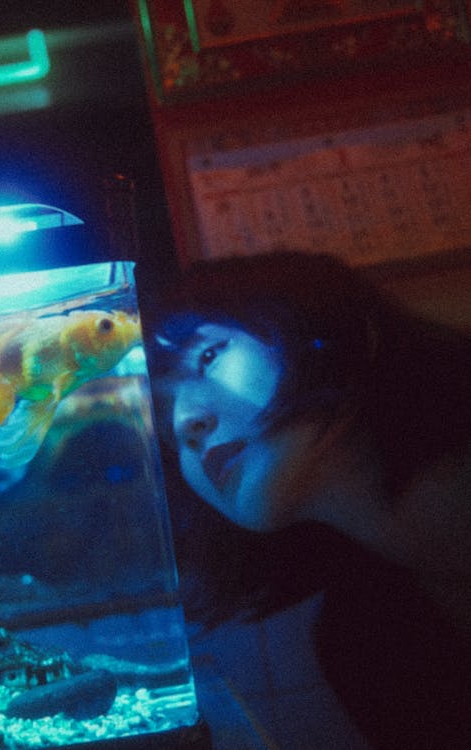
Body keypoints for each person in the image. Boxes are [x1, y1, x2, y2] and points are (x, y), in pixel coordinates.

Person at [142, 251, 471, 749]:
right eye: (164, 418)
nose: (185, 422)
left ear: (323, 325)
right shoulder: (361, 636)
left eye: (208, 356)